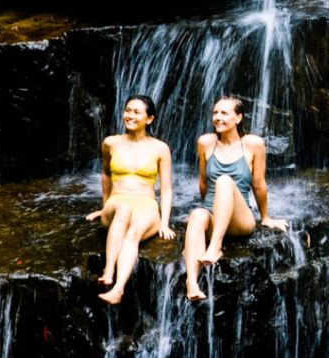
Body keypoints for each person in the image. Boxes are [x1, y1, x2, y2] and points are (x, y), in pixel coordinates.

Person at [184, 95, 288, 301]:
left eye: (224, 113)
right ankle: (192, 282)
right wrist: (205, 215)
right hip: (213, 215)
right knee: (196, 214)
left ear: (238, 118)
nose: (218, 117)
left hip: (241, 220)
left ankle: (215, 247)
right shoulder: (205, 142)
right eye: (215, 112)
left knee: (223, 181)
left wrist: (265, 217)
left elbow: (259, 184)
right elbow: (203, 182)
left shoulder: (252, 144)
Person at [86, 95, 174, 304]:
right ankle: (108, 271)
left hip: (146, 204)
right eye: (127, 110)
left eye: (136, 112)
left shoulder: (160, 148)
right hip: (117, 202)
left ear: (149, 119)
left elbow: (167, 189)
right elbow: (106, 175)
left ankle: (118, 289)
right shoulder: (111, 143)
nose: (130, 116)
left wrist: (164, 222)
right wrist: (104, 206)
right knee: (124, 208)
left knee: (134, 232)